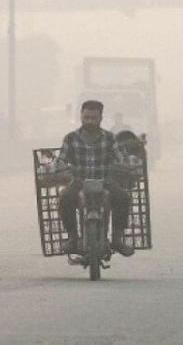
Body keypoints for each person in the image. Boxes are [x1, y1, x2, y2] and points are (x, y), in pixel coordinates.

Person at [55, 100, 134, 257]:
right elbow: (61, 160)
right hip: (78, 182)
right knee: (64, 198)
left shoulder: (110, 138)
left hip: (105, 182)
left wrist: (128, 164)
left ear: (100, 118)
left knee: (123, 198)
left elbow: (122, 157)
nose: (89, 121)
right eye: (86, 118)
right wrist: (57, 168)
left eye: (93, 118)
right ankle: (72, 238)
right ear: (81, 117)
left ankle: (117, 239)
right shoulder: (70, 138)